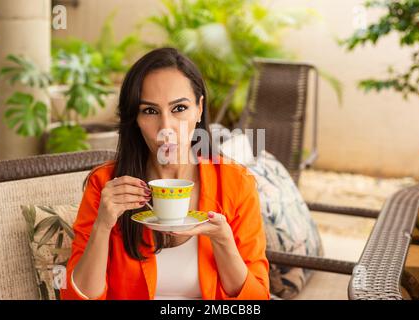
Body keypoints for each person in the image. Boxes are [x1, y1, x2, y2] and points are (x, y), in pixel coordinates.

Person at [60, 47, 269, 300]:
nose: (166, 128)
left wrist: (223, 241)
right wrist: (103, 225)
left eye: (179, 108)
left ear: (199, 109)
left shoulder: (236, 183)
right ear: (135, 119)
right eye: (150, 111)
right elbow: (77, 297)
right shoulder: (106, 185)